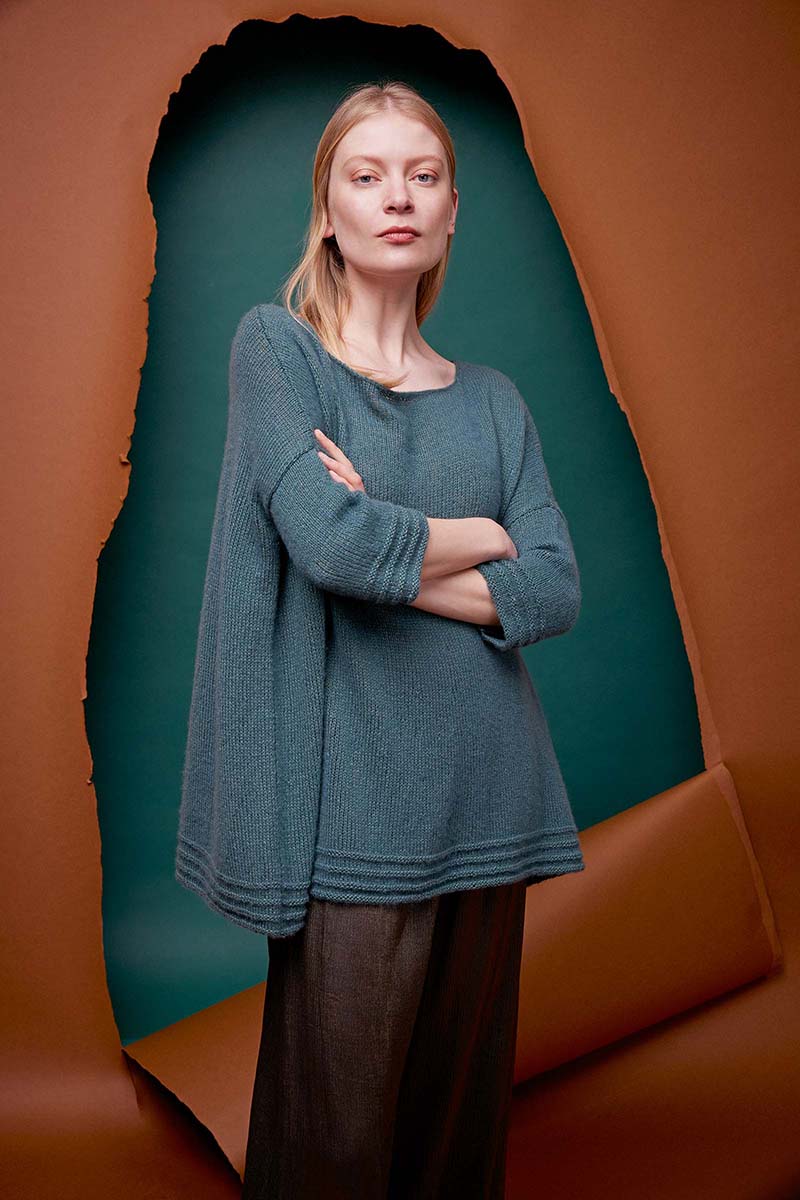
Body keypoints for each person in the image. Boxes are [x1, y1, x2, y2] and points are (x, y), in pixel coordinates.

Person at [177, 79, 585, 1199]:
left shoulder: (494, 402)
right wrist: (483, 536)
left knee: (458, 1146)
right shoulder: (279, 354)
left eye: (422, 175)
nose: (396, 197)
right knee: (334, 1148)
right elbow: (330, 546)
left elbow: (553, 589)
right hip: (353, 817)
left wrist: (389, 545)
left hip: (491, 801)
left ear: (451, 211)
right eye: (367, 176)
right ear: (328, 211)